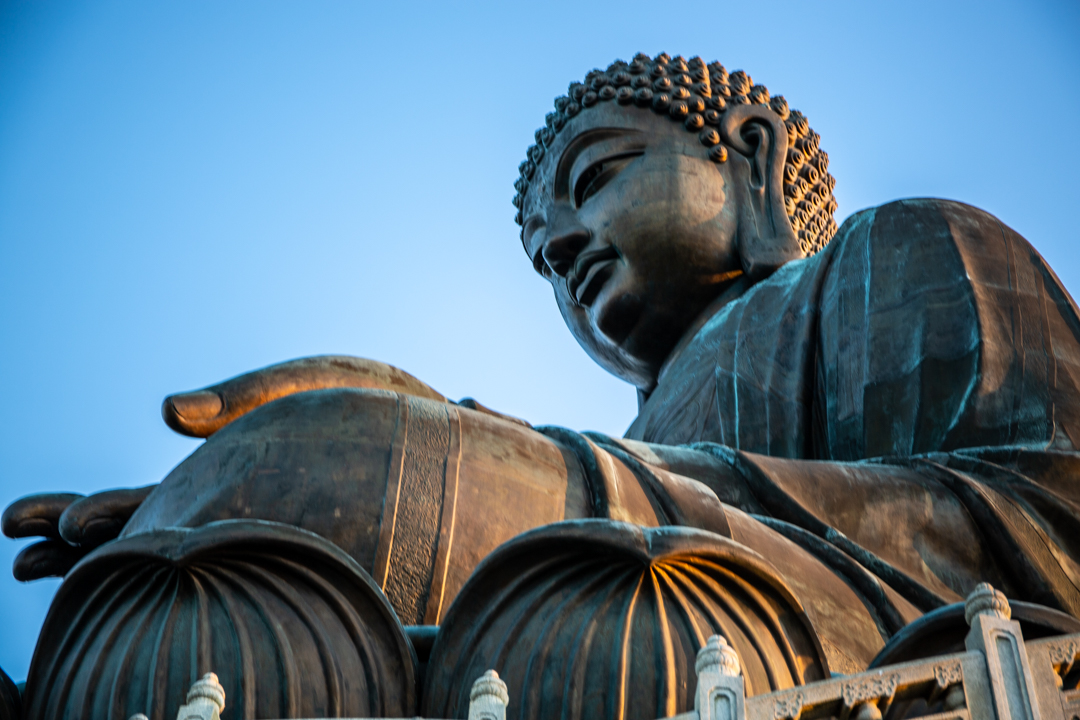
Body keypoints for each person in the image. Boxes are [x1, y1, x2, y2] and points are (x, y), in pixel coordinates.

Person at [4, 53, 1080, 720]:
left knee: (344, 457)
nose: (564, 242)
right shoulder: (639, 427)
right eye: (540, 252)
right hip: (618, 603)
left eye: (596, 177)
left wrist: (524, 467)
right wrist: (424, 432)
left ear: (749, 161)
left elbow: (1049, 544)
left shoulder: (897, 254)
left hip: (834, 637)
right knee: (284, 506)